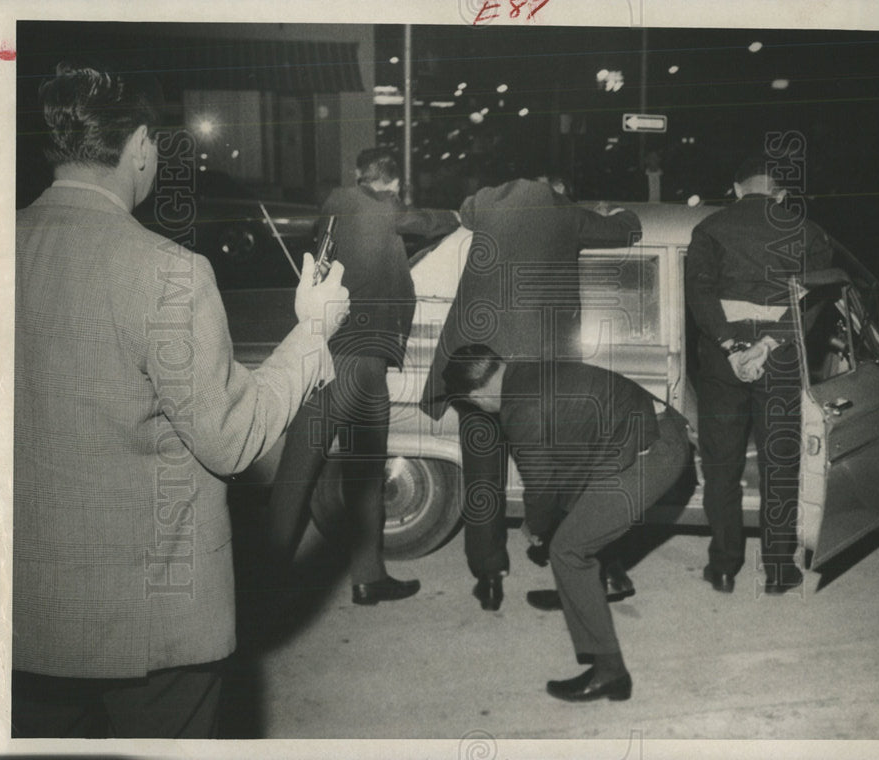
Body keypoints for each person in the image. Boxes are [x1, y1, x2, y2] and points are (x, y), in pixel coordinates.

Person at [12, 61, 349, 738]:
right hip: (150, 625)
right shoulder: (169, 271)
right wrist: (312, 333)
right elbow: (229, 438)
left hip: (23, 617)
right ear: (141, 146)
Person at [420, 174, 643, 610]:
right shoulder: (565, 213)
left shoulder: (486, 202)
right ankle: (594, 561)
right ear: (558, 191)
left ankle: (487, 577)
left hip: (475, 359)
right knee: (563, 466)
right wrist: (615, 213)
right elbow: (627, 229)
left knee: (482, 472)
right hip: (537, 366)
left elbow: (463, 211)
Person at [442, 345, 690, 702]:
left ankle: (610, 672)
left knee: (568, 551)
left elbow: (541, 488)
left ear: (477, 394)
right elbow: (566, 465)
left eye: (472, 404)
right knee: (577, 510)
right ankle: (597, 581)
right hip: (655, 428)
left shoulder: (519, 410)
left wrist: (535, 529)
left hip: (653, 454)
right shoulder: (527, 368)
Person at [265, 148, 459, 605]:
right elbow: (430, 223)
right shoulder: (386, 211)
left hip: (324, 351)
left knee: (297, 468)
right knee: (366, 474)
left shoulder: (333, 211)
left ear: (356, 176)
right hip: (364, 362)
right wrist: (459, 213)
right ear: (392, 185)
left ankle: (265, 578)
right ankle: (368, 576)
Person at [685, 153, 835, 595]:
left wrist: (733, 348)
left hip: (720, 359)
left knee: (722, 465)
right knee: (779, 464)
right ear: (781, 193)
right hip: (781, 357)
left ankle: (726, 566)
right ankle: (777, 570)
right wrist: (768, 344)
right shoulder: (808, 232)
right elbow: (812, 301)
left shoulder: (709, 228)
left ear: (736, 190)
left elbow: (699, 292)